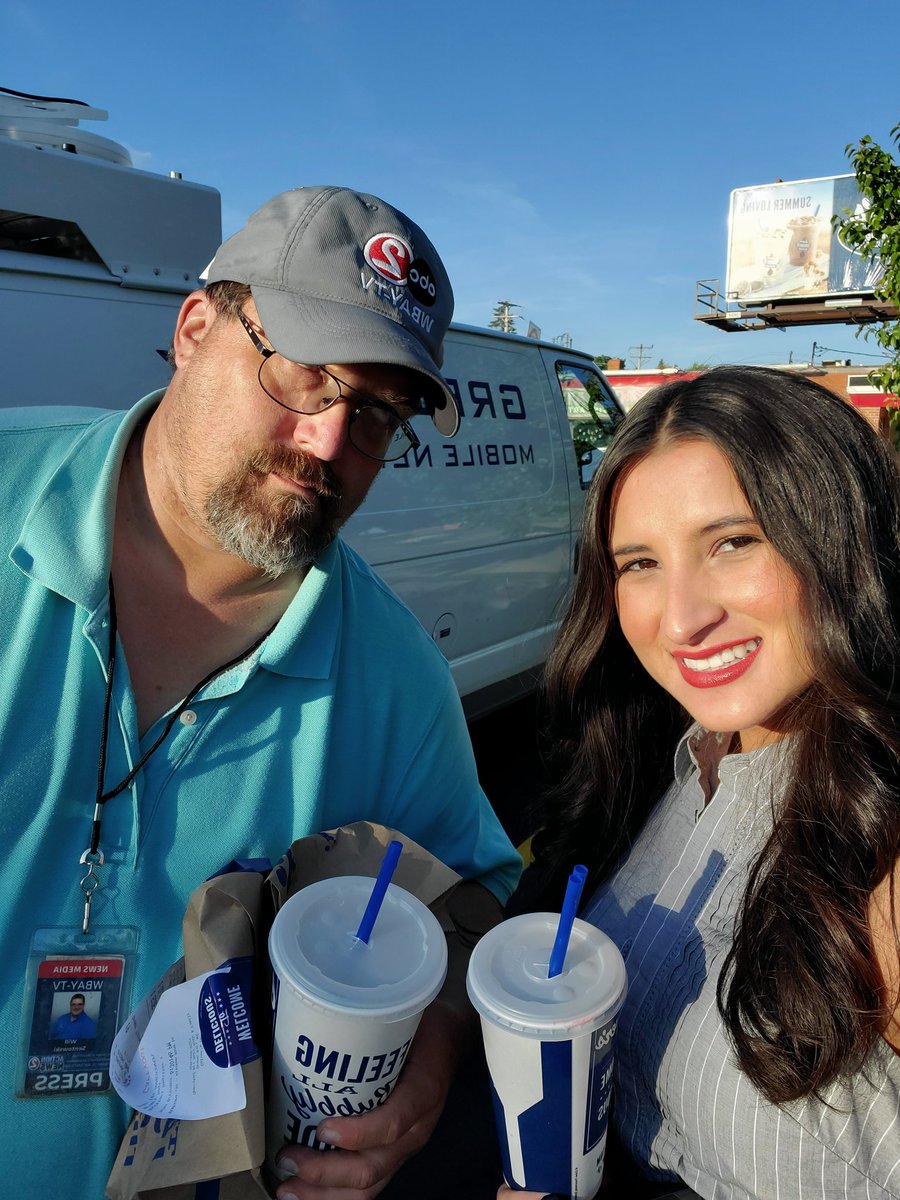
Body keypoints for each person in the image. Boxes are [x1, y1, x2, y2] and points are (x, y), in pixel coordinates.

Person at [0, 186, 521, 1198]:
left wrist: (433, 1064)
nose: (329, 444)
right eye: (303, 375)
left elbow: (472, 902)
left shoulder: (391, 672)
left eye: (375, 415)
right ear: (196, 329)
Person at [504, 366, 900, 1199]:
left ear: (840, 537)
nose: (680, 619)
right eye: (639, 562)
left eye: (733, 542)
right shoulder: (660, 758)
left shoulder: (883, 852)